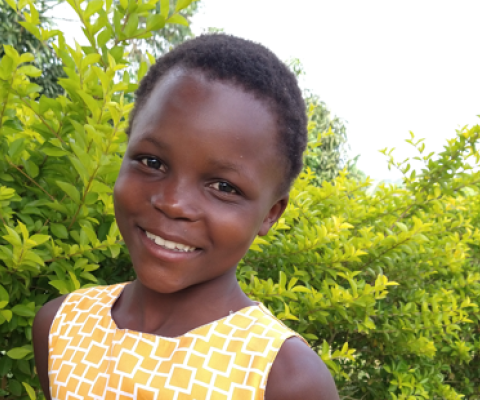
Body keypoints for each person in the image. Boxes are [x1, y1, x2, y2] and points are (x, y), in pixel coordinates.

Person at [33, 33, 340, 400]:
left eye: (224, 187)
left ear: (270, 215)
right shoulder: (61, 326)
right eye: (152, 162)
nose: (173, 203)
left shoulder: (285, 379)